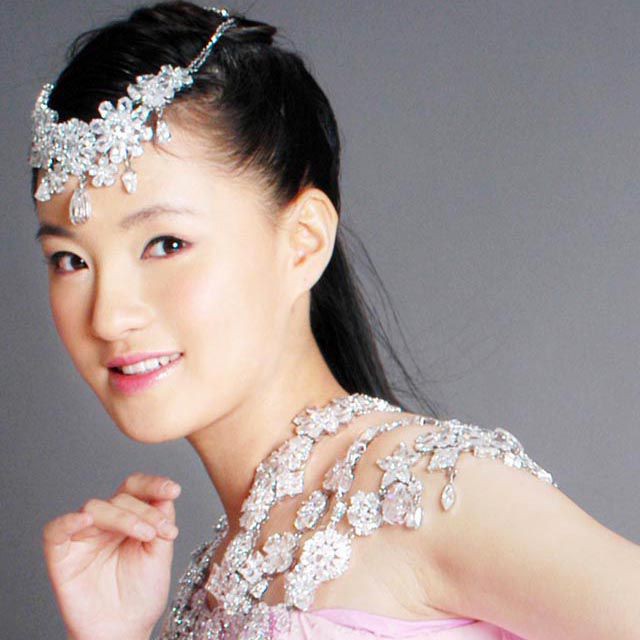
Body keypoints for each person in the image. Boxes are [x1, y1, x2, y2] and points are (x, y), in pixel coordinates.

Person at [31, 2, 639, 639]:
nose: (108, 316)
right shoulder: (214, 575)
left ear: (303, 243)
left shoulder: (423, 496)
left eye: (165, 244)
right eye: (71, 260)